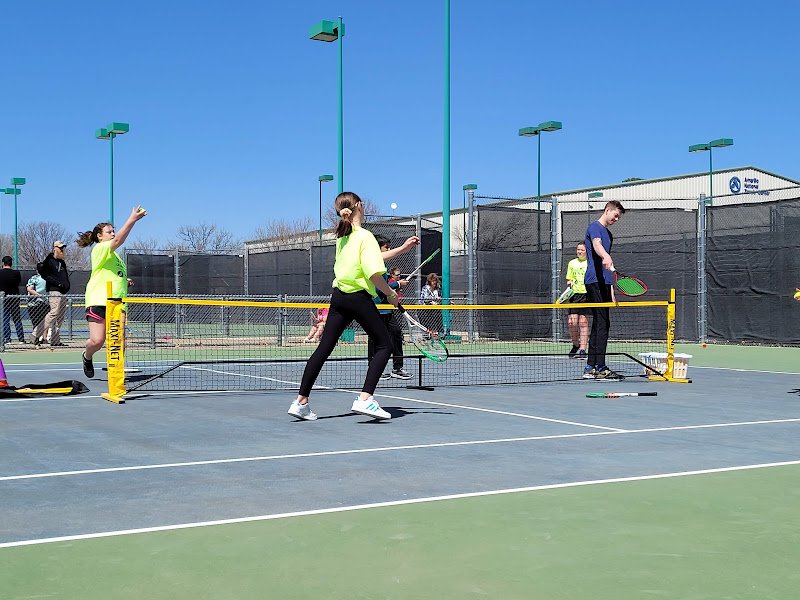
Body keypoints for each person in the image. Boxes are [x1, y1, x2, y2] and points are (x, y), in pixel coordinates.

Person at [288, 192, 400, 421]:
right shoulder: (366, 237)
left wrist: (404, 250)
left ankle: (301, 402)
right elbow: (374, 273)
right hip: (358, 298)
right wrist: (391, 294)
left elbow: (365, 263)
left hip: (338, 297)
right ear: (359, 206)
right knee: (384, 345)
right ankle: (365, 399)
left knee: (324, 348)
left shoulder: (343, 237)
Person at [77, 206, 148, 378]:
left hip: (117, 302)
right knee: (97, 341)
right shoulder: (100, 249)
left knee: (119, 338)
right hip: (98, 300)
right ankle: (87, 356)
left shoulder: (116, 258)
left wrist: (125, 280)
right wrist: (132, 219)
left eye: (113, 231)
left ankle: (116, 374)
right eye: (109, 232)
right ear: (100, 236)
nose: (113, 234)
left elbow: (115, 275)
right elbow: (118, 242)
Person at [583, 200, 625, 380]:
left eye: (618, 217)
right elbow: (597, 245)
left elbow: (606, 265)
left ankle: (591, 367)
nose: (616, 219)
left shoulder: (610, 234)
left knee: (600, 322)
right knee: (602, 323)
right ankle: (600, 367)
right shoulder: (595, 227)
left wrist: (611, 289)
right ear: (607, 210)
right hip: (593, 281)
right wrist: (606, 255)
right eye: (615, 215)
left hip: (604, 283)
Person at [368, 235, 418, 381]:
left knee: (396, 334)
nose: (389, 250)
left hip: (387, 309)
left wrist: (394, 290)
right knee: (375, 339)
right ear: (378, 248)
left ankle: (397, 368)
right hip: (375, 308)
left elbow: (386, 288)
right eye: (386, 247)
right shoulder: (373, 264)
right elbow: (378, 287)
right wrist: (397, 285)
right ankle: (373, 368)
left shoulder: (383, 266)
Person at [38, 241, 71, 346]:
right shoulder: (49, 261)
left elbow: (64, 276)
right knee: (54, 313)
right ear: (55, 248)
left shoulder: (62, 262)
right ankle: (36, 334)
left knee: (60, 318)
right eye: (60, 248)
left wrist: (65, 285)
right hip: (54, 291)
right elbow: (43, 271)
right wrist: (58, 284)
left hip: (63, 292)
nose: (62, 250)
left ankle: (55, 340)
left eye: (63, 248)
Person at [565, 242, 590, 359]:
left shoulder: (590, 263)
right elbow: (569, 279)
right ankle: (576, 344)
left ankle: (583, 349)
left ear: (586, 251)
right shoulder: (572, 263)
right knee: (572, 322)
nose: (579, 251)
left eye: (582, 250)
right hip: (574, 296)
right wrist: (569, 283)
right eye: (578, 249)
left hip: (586, 295)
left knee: (583, 322)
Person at [0, 256, 25, 344]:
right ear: (11, 263)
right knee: (17, 318)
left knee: (5, 319)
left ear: (3, 263)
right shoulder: (16, 273)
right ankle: (21, 339)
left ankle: (7, 338)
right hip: (14, 298)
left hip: (4, 299)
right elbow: (18, 283)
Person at [26, 271, 49, 345]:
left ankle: (36, 338)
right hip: (45, 302)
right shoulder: (48, 278)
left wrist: (38, 295)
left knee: (36, 322)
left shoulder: (34, 278)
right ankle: (43, 338)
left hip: (34, 303)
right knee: (44, 322)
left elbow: (29, 289)